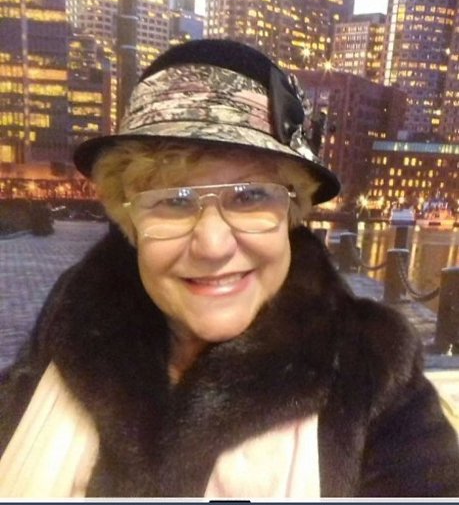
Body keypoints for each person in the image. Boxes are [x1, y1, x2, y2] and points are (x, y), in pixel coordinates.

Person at [0, 39, 458, 498]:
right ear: (131, 221)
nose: (213, 246)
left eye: (250, 196)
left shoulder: (371, 368)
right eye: (173, 201)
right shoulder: (71, 325)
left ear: (291, 212)